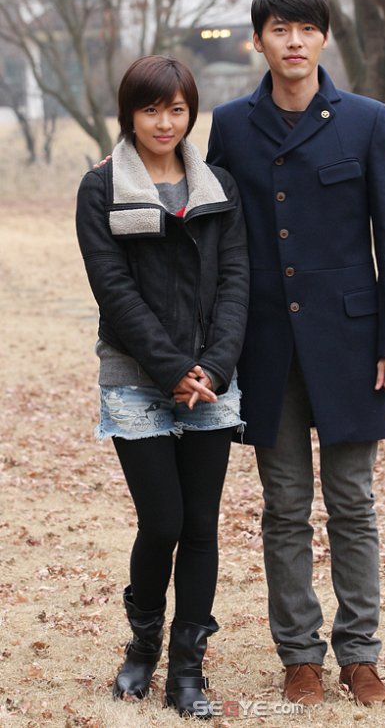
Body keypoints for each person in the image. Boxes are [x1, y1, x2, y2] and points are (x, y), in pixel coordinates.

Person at [207, 0, 385, 707]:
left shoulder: (366, 119)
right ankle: (300, 657)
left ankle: (360, 655)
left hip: (353, 343)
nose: (293, 42)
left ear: (323, 37)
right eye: (279, 29)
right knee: (285, 505)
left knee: (353, 501)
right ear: (258, 40)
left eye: (306, 29)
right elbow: (212, 228)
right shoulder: (231, 125)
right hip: (266, 343)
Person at [76, 55, 249, 718]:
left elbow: (236, 281)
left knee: (200, 524)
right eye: (150, 109)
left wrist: (214, 367)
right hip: (135, 379)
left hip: (211, 381)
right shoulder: (101, 187)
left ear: (190, 113)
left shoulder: (218, 186)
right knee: (163, 521)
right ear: (129, 114)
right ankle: (143, 643)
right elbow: (113, 289)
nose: (164, 122)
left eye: (176, 109)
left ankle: (187, 668)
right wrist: (172, 368)